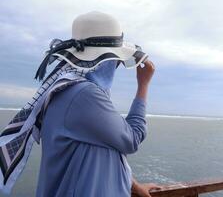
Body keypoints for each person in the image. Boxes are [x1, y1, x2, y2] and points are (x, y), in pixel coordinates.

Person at [0, 11, 161, 197]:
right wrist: (143, 85)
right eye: (115, 60)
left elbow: (104, 148)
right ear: (105, 60)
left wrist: (135, 187)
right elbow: (132, 139)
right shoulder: (84, 95)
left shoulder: (66, 91)